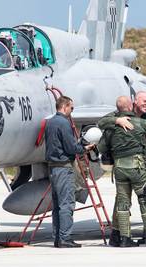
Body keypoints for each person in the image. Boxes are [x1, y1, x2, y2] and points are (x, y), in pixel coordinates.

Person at [98, 91, 146, 246]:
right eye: (144, 101)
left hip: (120, 168)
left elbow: (102, 144)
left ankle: (124, 238)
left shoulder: (113, 126)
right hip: (138, 167)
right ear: (132, 104)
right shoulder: (140, 122)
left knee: (122, 202)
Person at [44, 96, 94, 248]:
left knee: (57, 205)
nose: (72, 111)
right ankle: (65, 238)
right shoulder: (64, 123)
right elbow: (71, 148)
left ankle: (58, 238)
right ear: (65, 106)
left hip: (52, 168)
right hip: (64, 168)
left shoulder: (50, 122)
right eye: (71, 108)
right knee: (67, 204)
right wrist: (84, 148)